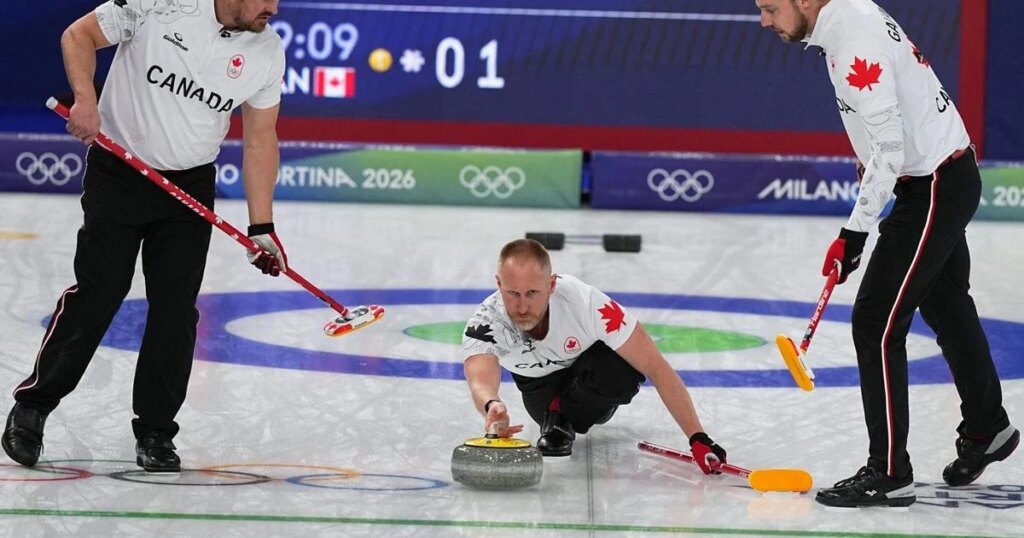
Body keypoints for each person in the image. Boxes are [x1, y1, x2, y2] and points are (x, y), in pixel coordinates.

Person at [2, 0, 288, 473]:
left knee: (176, 310)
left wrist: (262, 228)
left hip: (189, 185)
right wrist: (86, 100)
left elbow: (261, 138)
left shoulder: (267, 50)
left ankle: (156, 431)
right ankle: (33, 407)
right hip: (121, 170)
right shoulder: (161, 3)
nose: (273, 8)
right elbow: (78, 36)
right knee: (99, 293)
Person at [756, 0, 1018, 507]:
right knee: (946, 304)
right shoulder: (849, 18)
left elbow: (891, 149)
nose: (764, 21)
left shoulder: (852, 36)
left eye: (770, 8)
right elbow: (886, 119)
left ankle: (890, 471)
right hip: (943, 173)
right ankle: (989, 426)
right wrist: (869, 165)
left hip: (933, 185)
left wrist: (853, 234)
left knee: (875, 323)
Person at [461, 239, 727, 474]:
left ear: (551, 284)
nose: (521, 307)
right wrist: (491, 406)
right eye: (512, 293)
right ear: (498, 284)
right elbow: (480, 378)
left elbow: (656, 366)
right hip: (540, 391)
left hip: (592, 376)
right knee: (549, 408)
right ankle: (556, 415)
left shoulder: (586, 304)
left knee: (624, 371)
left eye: (532, 293)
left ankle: (564, 413)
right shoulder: (487, 321)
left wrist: (697, 437)